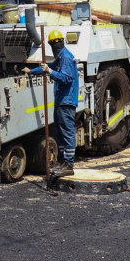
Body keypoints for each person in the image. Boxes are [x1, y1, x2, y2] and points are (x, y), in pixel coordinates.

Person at [23, 30, 79, 177]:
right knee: (60, 133)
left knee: (67, 133)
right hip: (61, 101)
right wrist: (32, 71)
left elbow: (66, 78)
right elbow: (49, 66)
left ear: (56, 44)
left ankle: (69, 164)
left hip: (66, 102)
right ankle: (62, 162)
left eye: (53, 45)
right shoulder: (60, 58)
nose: (54, 48)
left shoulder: (65, 57)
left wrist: (49, 71)